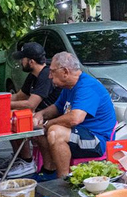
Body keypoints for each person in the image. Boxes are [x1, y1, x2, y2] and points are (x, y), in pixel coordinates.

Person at [0, 42, 61, 177]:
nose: (20, 62)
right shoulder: (33, 75)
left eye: (22, 59)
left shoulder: (45, 76)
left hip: (51, 115)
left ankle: (34, 164)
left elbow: (30, 104)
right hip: (39, 115)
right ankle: (21, 158)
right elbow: (18, 96)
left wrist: (0, 105)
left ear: (31, 61)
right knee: (9, 119)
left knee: (28, 125)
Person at [33, 52, 116, 180]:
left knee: (55, 132)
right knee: (40, 132)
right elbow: (57, 107)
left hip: (97, 140)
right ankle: (49, 172)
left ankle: (62, 183)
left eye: (52, 72)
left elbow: (75, 118)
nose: (49, 76)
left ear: (65, 71)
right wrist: (40, 114)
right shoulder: (69, 86)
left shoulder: (87, 86)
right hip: (81, 135)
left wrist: (47, 124)